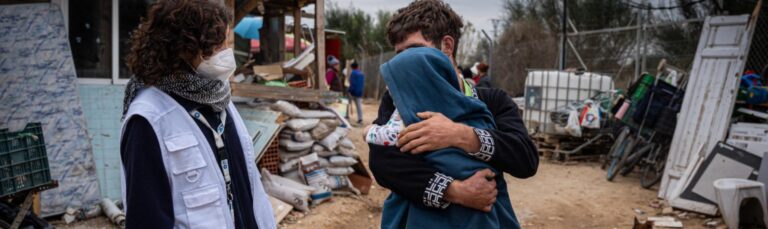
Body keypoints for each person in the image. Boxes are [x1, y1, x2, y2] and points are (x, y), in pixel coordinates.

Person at [367, 0, 538, 228]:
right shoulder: (397, 99)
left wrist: (461, 136)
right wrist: (455, 191)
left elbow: (525, 159)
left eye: (414, 50)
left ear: (447, 46)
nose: (404, 61)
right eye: (398, 54)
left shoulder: (493, 100)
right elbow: (383, 164)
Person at [120, 1, 275, 228]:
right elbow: (147, 217)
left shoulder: (219, 99)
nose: (226, 52)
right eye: (218, 44)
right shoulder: (148, 120)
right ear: (185, 47)